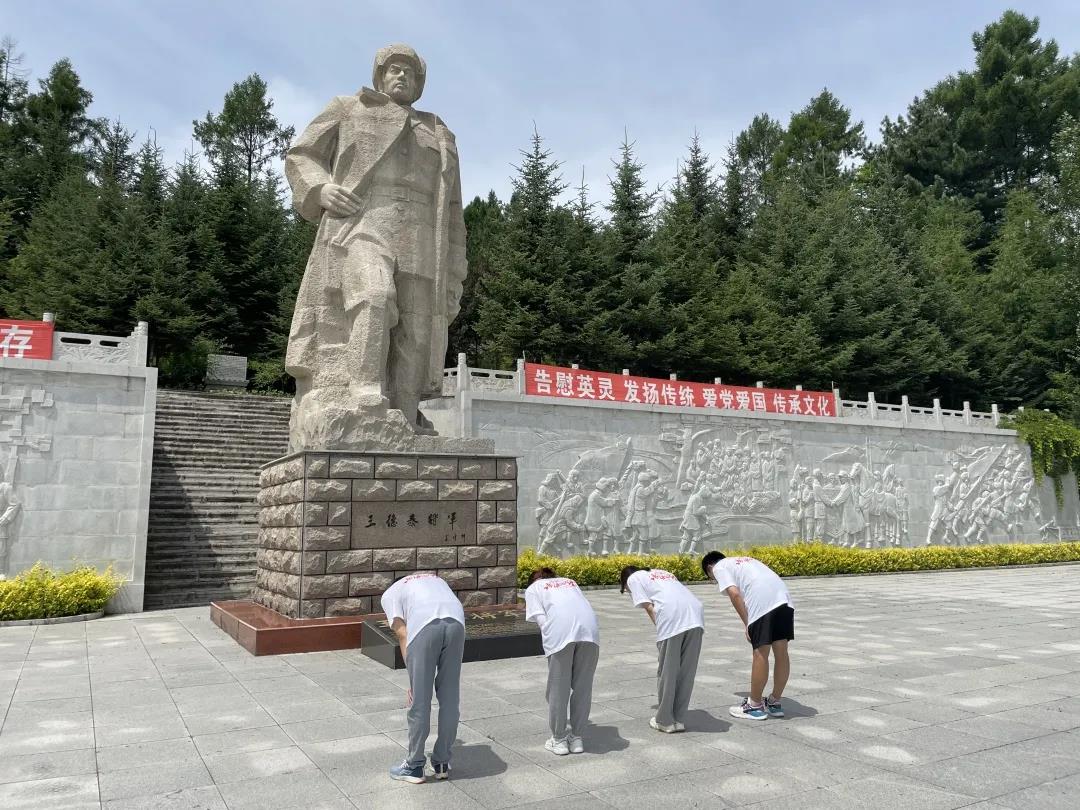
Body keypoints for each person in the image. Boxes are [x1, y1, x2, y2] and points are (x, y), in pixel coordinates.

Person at [284, 43, 467, 447]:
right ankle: (364, 391)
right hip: (363, 222)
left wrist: (455, 269)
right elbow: (301, 154)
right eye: (394, 69)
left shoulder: (439, 132)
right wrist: (320, 188)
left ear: (420, 83)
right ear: (380, 75)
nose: (402, 76)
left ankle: (404, 413)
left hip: (422, 237)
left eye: (410, 72)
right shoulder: (349, 108)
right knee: (373, 295)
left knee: (416, 328)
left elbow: (454, 210)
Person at [380, 572, 466, 784]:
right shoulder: (435, 579)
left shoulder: (390, 593)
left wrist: (413, 681)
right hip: (456, 622)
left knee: (420, 700)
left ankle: (414, 765)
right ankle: (442, 761)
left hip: (425, 625)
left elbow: (403, 633)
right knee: (450, 696)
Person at [701, 552, 795, 721]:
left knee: (760, 653)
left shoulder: (719, 567)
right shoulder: (744, 561)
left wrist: (747, 623)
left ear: (709, 568)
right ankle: (774, 702)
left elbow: (735, 594)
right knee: (781, 652)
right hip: (784, 599)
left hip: (763, 602)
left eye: (711, 578)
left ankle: (754, 705)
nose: (714, 580)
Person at [525, 568, 600, 756]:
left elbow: (542, 621)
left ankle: (559, 740)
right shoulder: (570, 582)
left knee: (558, 688)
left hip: (561, 634)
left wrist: (551, 642)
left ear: (533, 580)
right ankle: (577, 738)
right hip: (590, 632)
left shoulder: (533, 588)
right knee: (583, 688)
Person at [620, 565, 704, 733]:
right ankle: (679, 719)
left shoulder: (633, 578)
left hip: (672, 616)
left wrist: (662, 632)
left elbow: (650, 607)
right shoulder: (664, 573)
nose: (629, 591)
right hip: (696, 615)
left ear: (624, 581)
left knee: (668, 671)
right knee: (686, 672)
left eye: (626, 590)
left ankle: (665, 720)